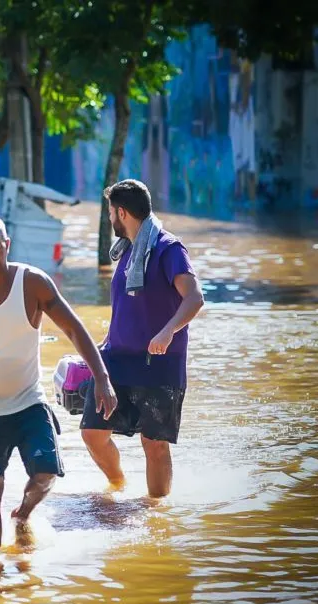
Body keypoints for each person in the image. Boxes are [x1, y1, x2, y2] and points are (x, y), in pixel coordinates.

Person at [0, 213, 118, 550]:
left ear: (8, 246)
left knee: (46, 473)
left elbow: (74, 328)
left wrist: (102, 377)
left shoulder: (32, 283)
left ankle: (24, 514)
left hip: (29, 404)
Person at [80, 179, 205, 498]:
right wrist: (101, 347)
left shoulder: (168, 248)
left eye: (110, 213)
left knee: (154, 444)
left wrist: (168, 331)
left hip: (159, 364)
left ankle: (155, 514)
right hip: (117, 361)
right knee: (93, 433)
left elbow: (194, 298)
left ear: (121, 212)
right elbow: (129, 308)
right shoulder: (127, 251)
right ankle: (118, 484)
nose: (109, 220)